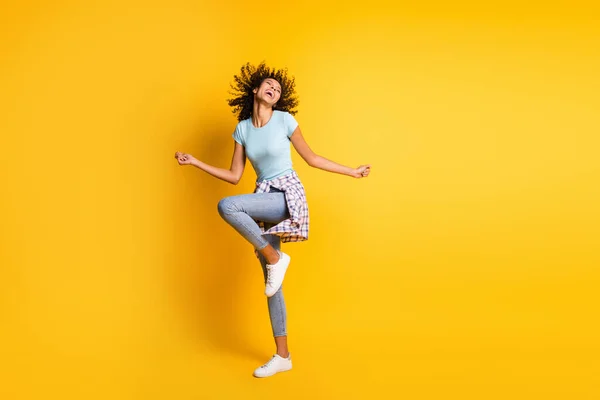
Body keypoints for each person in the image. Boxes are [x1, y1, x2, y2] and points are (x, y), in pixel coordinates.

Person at [174, 62, 371, 378]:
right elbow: (235, 175)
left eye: (278, 89)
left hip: (285, 195)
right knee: (272, 283)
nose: (274, 89)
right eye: (269, 84)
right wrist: (195, 162)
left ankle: (275, 257)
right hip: (262, 195)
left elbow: (312, 158)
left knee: (228, 207)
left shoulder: (284, 120)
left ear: (280, 99)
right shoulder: (242, 129)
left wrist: (351, 171)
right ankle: (283, 355)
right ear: (255, 90)